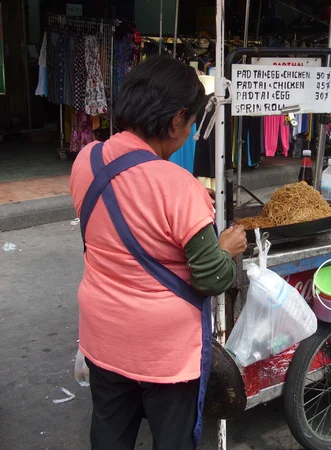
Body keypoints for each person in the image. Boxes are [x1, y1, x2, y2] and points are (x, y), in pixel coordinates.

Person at [69, 55, 247, 449]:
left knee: (109, 433)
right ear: (176, 120)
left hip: (102, 335)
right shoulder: (179, 186)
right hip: (163, 355)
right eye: (193, 122)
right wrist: (226, 247)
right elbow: (212, 278)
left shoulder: (87, 161)